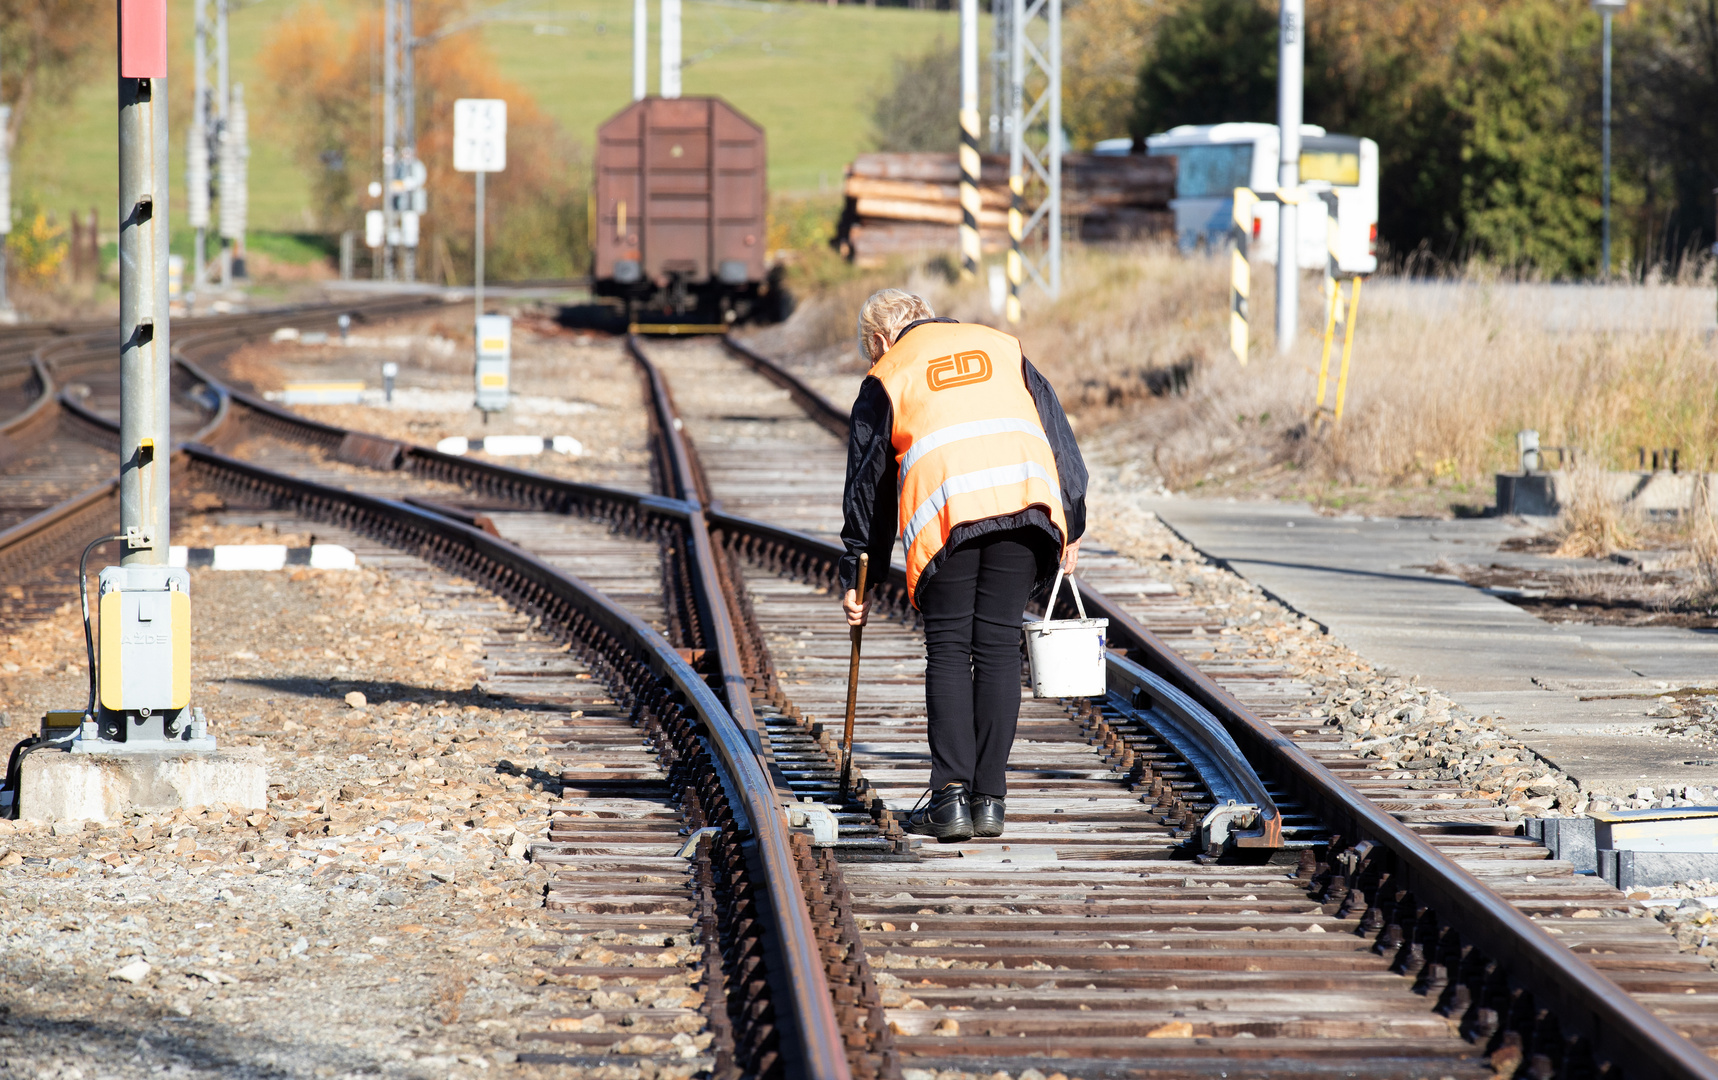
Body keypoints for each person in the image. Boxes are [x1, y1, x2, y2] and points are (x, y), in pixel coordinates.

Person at [838, 289, 1088, 842]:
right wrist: (1071, 519)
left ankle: (950, 800)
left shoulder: (888, 373)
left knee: (949, 646)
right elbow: (1058, 435)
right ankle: (990, 802)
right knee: (998, 645)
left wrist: (860, 573)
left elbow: (868, 487)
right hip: (1026, 507)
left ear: (880, 340)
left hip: (949, 514)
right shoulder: (1002, 346)